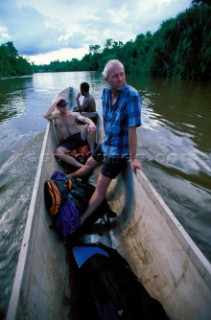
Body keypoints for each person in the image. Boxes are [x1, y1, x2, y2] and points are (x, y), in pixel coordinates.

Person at [69, 59, 142, 232]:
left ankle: (80, 220)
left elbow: (133, 131)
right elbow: (108, 123)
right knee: (89, 164)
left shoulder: (132, 96)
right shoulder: (106, 93)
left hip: (120, 150)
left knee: (101, 183)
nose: (120, 79)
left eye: (122, 74)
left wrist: (132, 159)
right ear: (107, 79)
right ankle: (68, 177)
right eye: (115, 76)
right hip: (108, 142)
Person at [44, 97, 96, 168]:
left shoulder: (73, 114)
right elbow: (46, 115)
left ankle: (92, 152)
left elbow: (84, 119)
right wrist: (56, 101)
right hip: (68, 141)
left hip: (79, 137)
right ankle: (80, 166)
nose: (64, 107)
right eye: (62, 106)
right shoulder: (56, 116)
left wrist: (91, 123)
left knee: (89, 126)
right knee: (58, 152)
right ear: (57, 107)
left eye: (65, 105)